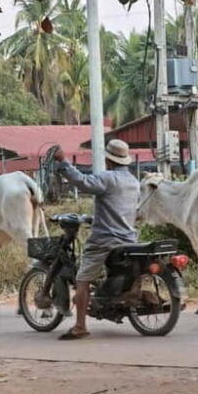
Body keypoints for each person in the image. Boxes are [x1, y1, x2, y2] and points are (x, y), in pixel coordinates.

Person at [52, 139, 139, 340]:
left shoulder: (107, 178)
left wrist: (64, 162)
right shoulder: (133, 181)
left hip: (105, 239)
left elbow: (83, 182)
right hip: (128, 237)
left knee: (82, 278)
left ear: (109, 160)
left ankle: (80, 325)